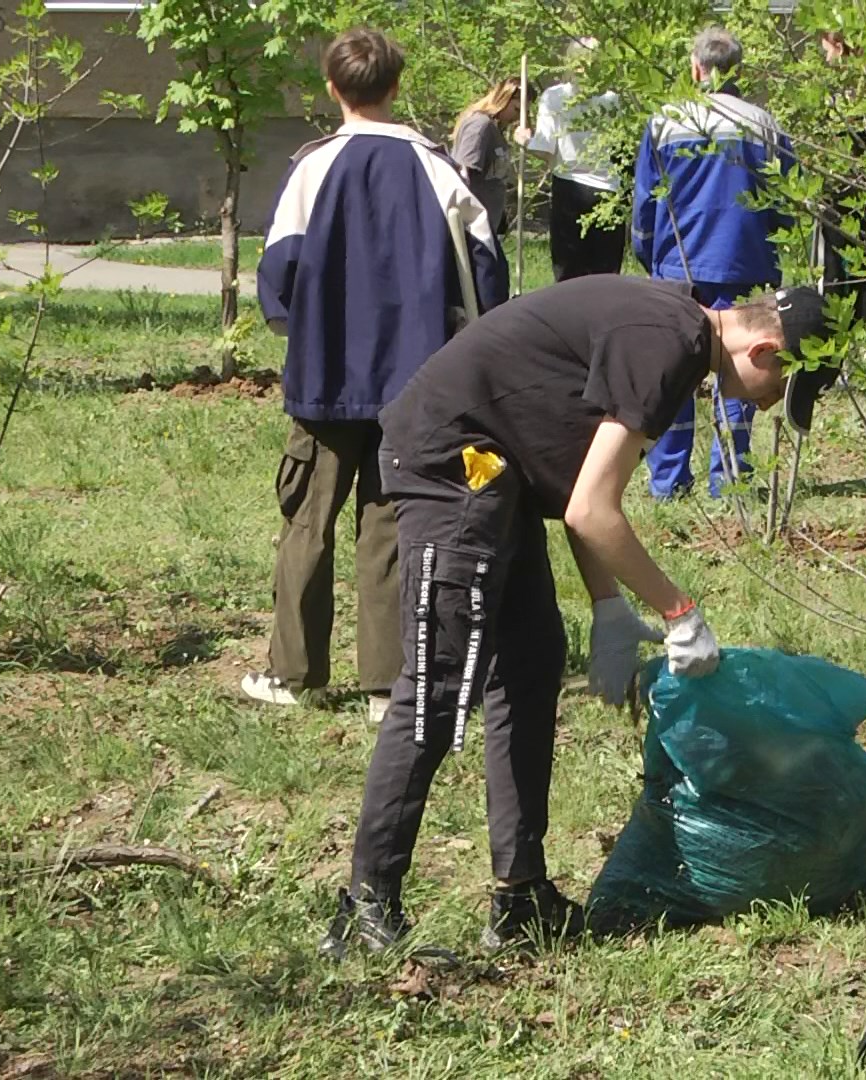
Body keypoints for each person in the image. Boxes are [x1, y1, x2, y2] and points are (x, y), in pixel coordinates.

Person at [325, 276, 836, 955]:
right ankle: (366, 908)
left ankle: (520, 897)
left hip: (498, 474)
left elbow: (579, 489)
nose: (769, 406)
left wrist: (607, 607)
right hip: (455, 466)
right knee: (438, 690)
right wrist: (679, 612)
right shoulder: (670, 343)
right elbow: (591, 508)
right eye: (780, 390)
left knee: (531, 665)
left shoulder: (671, 330)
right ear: (766, 349)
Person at [245, 28, 507, 724]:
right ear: (397, 85)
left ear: (333, 88)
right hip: (414, 387)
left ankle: (293, 674)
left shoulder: (312, 169)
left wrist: (299, 332)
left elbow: (278, 279)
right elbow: (486, 277)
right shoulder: (439, 169)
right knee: (391, 523)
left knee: (308, 520)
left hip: (326, 381)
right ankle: (386, 684)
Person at [633, 26, 794, 500]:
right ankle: (729, 480)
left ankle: (667, 483)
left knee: (674, 370)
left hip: (678, 269)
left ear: (696, 68)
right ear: (737, 70)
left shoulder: (665, 122)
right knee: (745, 367)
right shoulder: (765, 125)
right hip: (746, 263)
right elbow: (785, 203)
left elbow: (645, 205)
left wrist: (651, 256)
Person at [520, 37, 625, 281]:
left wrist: (524, 139)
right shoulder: (615, 100)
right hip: (608, 191)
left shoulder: (554, 97)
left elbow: (545, 150)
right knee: (606, 276)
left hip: (570, 188)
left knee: (569, 275)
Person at [817, 30, 866, 329]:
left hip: (843, 185)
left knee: (835, 263)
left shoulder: (838, 91)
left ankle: (834, 325)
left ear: (839, 46)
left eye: (827, 51)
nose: (826, 58)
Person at [450, 79, 521, 238]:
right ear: (504, 98)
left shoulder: (495, 129)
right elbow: (463, 174)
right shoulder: (480, 126)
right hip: (472, 227)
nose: (517, 117)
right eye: (516, 109)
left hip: (488, 223)